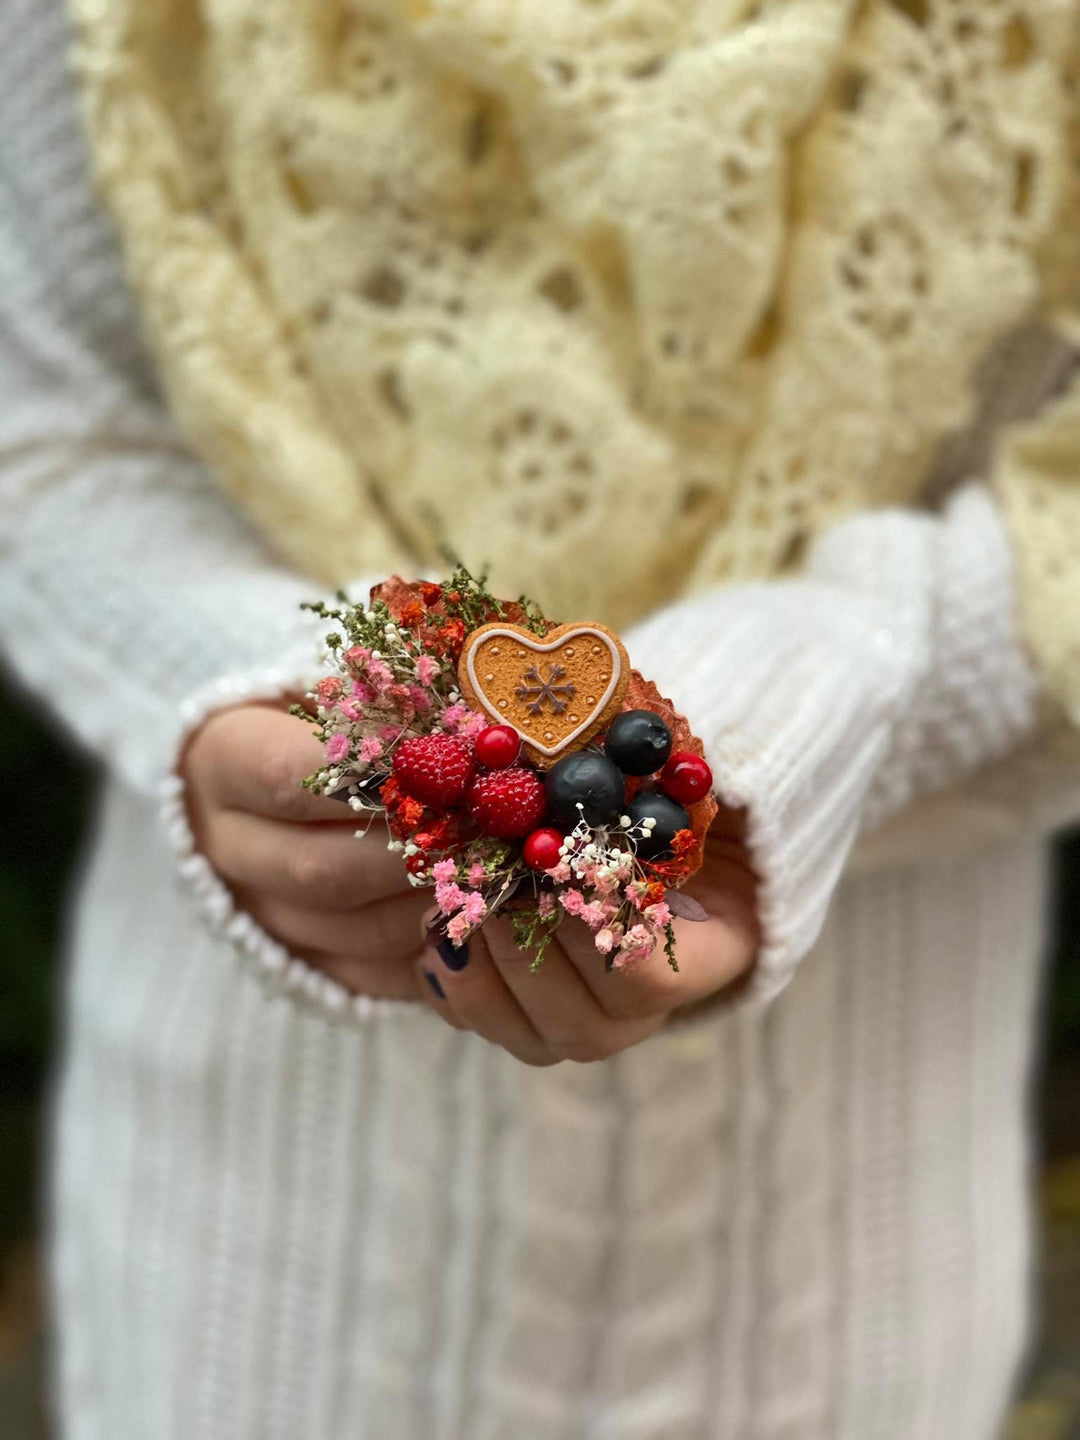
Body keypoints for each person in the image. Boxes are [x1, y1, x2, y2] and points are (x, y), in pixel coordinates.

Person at [2, 0, 1080, 1435]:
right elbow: (45, 421)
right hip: (239, 1255)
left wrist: (825, 693)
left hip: (851, 1281)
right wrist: (247, 698)